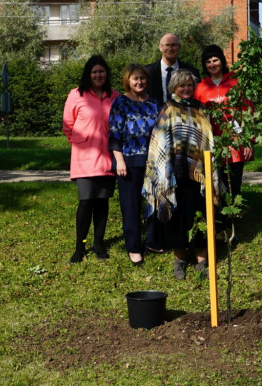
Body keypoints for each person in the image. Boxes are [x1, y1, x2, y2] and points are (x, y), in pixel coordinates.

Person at [142, 70, 223, 280]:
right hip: (175, 175)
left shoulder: (200, 108)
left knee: (201, 214)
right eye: (181, 86)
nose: (186, 89)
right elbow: (159, 141)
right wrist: (166, 170)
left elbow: (208, 138)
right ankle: (180, 260)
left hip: (198, 174)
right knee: (177, 216)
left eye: (189, 85)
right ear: (173, 88)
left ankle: (202, 261)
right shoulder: (168, 109)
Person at [62, 55, 120, 263]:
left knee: (102, 202)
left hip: (107, 156)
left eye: (101, 71)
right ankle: (80, 246)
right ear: (88, 74)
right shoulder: (76, 95)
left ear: (106, 74)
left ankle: (99, 244)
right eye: (94, 72)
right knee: (86, 202)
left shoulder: (116, 96)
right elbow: (68, 124)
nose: (98, 75)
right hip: (84, 157)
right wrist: (81, 141)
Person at [109, 64, 161, 266]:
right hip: (128, 162)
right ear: (127, 81)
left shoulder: (154, 102)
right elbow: (114, 134)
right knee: (130, 206)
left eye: (142, 78)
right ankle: (133, 247)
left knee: (153, 203)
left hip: (153, 161)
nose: (139, 82)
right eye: (135, 79)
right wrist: (119, 160)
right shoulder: (120, 103)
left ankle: (152, 241)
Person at [193, 44, 254, 199]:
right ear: (204, 65)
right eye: (208, 62)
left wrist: (248, 141)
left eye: (215, 60)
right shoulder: (199, 88)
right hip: (212, 142)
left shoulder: (236, 82)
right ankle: (218, 221)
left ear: (222, 61)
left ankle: (233, 218)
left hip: (235, 141)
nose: (212, 64)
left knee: (234, 183)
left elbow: (248, 112)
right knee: (215, 183)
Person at [145, 33, 202, 106]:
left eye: (174, 45)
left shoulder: (192, 72)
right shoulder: (148, 72)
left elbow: (196, 98)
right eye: (167, 45)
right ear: (160, 47)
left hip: (183, 114)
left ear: (179, 47)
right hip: (155, 115)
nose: (170, 48)